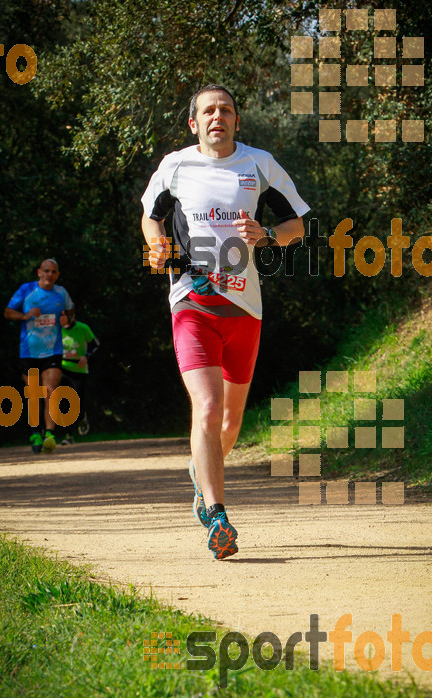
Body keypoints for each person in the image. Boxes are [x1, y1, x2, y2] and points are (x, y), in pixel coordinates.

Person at [141, 84, 309, 559]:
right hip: (191, 301)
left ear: (237, 120)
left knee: (231, 423)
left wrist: (268, 234)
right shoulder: (175, 166)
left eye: (227, 110)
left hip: (245, 308)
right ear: (194, 123)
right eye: (208, 111)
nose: (218, 116)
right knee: (208, 409)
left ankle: (200, 474)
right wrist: (156, 244)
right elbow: (149, 218)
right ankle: (216, 515)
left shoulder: (261, 163)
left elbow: (297, 225)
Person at [4, 258, 74, 453]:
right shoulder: (26, 290)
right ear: (39, 272)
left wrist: (67, 319)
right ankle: (35, 432)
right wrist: (24, 316)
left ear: (57, 275)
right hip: (29, 351)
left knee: (51, 390)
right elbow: (8, 312)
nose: (49, 274)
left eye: (53, 271)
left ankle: (49, 434)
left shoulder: (61, 293)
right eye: (46, 271)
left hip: (53, 350)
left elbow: (71, 314)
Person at [58, 310, 100, 444]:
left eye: (64, 315)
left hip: (79, 370)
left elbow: (96, 345)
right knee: (65, 401)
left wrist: (86, 356)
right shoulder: (56, 330)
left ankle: (82, 416)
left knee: (78, 404)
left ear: (72, 316)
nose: (61, 318)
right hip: (63, 369)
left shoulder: (82, 328)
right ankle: (68, 435)